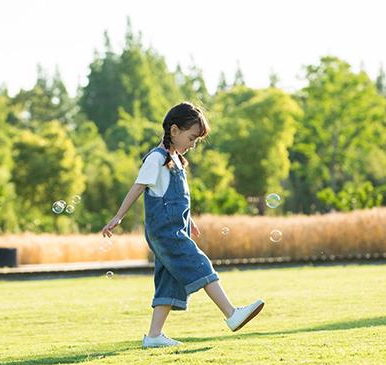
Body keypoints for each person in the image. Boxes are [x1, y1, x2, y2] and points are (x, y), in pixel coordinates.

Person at [101, 102, 264, 348]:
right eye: (191, 138)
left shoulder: (176, 161)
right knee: (200, 263)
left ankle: (154, 336)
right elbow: (138, 187)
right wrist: (118, 216)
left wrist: (190, 221)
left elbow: (174, 199)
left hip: (175, 228)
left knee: (168, 280)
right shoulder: (156, 159)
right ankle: (231, 314)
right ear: (174, 130)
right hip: (165, 232)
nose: (193, 145)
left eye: (197, 140)